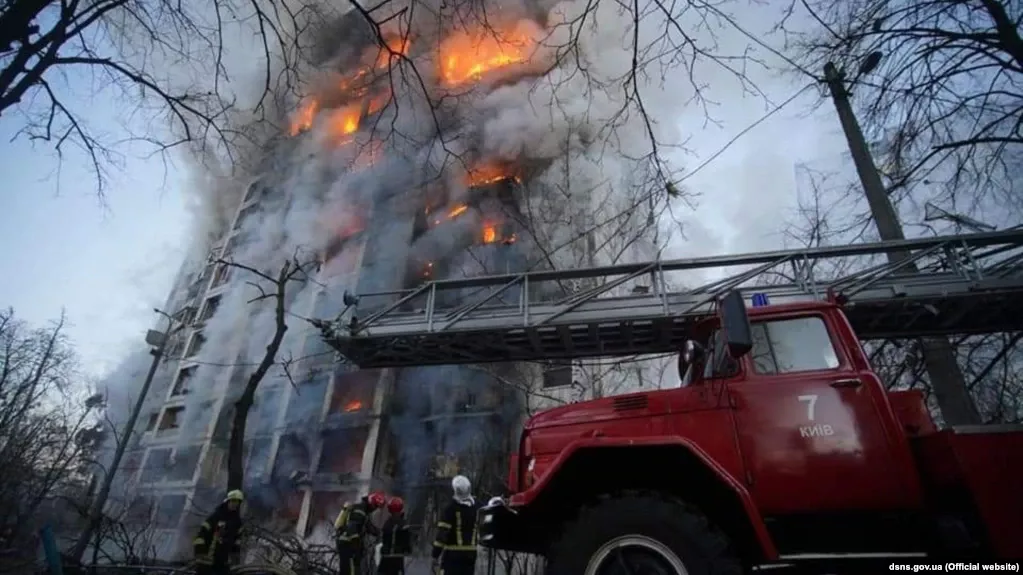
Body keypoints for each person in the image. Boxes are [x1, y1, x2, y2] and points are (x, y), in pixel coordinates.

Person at [431, 475, 480, 575]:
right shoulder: (476, 506)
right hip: (471, 554)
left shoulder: (451, 508)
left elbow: (442, 535)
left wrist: (435, 555)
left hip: (453, 555)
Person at [193, 490, 244, 575]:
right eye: (233, 501)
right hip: (208, 558)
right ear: (228, 501)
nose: (235, 504)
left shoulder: (237, 521)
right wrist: (200, 552)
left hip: (223, 560)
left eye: (237, 502)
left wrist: (235, 555)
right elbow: (202, 533)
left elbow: (237, 540)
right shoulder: (216, 516)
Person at [335, 491, 386, 575]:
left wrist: (379, 533)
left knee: (350, 569)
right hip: (348, 544)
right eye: (376, 506)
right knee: (351, 571)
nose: (375, 509)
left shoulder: (363, 511)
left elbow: (368, 526)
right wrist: (356, 547)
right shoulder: (360, 511)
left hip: (347, 544)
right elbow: (352, 528)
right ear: (371, 503)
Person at [377, 496, 410, 575]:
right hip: (397, 559)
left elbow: (384, 539)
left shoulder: (387, 523)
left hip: (385, 558)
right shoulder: (403, 524)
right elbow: (407, 543)